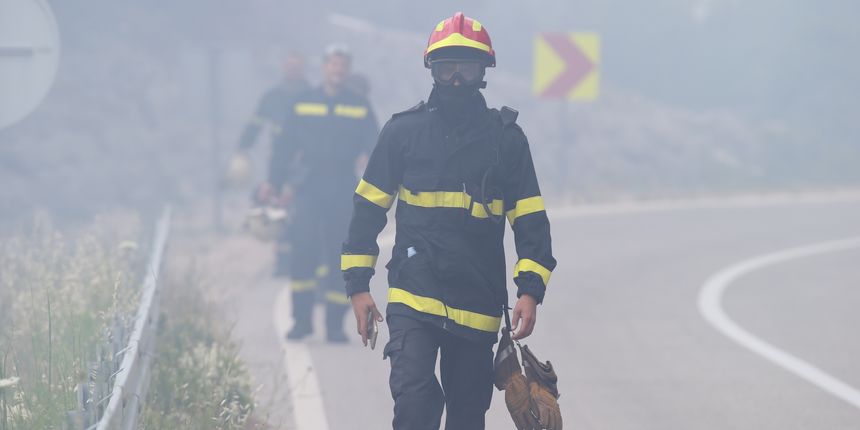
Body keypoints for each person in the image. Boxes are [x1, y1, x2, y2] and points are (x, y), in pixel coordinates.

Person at [341, 12, 556, 430]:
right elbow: (367, 210)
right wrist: (358, 287)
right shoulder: (402, 133)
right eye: (446, 68)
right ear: (432, 70)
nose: (456, 78)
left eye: (466, 68)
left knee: (465, 420)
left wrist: (530, 291)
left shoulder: (506, 141)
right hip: (412, 298)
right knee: (415, 407)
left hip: (476, 307)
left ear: (483, 73)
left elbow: (531, 221)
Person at [270, 44, 379, 342]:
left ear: (348, 70)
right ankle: (301, 321)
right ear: (324, 67)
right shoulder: (302, 102)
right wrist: (275, 183)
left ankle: (334, 326)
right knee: (302, 251)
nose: (338, 70)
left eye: (343, 65)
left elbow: (377, 148)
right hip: (309, 187)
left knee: (338, 256)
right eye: (333, 64)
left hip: (343, 187)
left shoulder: (359, 105)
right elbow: (283, 148)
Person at [230, 51, 309, 276]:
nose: (292, 69)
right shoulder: (272, 97)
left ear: (302, 68)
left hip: (307, 162)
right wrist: (243, 147)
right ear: (283, 67)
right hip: (279, 161)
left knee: (303, 208)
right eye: (289, 65)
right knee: (277, 206)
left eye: (297, 65)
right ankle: (283, 260)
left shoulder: (311, 95)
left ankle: (303, 256)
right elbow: (256, 124)